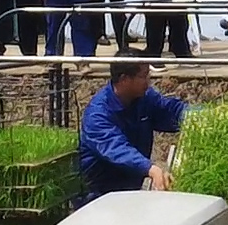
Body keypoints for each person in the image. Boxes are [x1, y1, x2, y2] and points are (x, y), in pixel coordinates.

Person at [74, 59, 189, 200]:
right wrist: (150, 168)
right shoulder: (98, 114)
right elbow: (116, 148)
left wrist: (201, 116)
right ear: (124, 79)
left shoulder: (145, 98)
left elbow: (170, 110)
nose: (148, 80)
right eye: (143, 76)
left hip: (130, 191)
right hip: (97, 194)